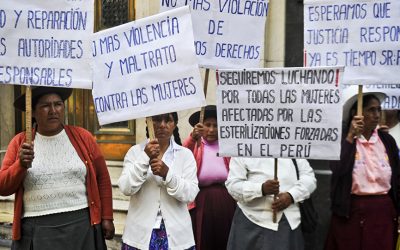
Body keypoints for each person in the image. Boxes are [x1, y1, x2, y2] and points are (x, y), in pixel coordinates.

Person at [0, 86, 115, 250]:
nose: (53, 110)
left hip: (81, 227)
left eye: (58, 104)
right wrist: (20, 165)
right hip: (37, 231)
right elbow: (3, 187)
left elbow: (102, 178)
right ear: (32, 112)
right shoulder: (20, 143)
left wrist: (107, 217)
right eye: (45, 106)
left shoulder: (83, 137)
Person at [324, 86, 400, 250]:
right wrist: (350, 137)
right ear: (356, 113)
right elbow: (338, 170)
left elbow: (397, 177)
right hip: (351, 212)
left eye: (378, 110)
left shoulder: (386, 140)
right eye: (371, 110)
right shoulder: (343, 140)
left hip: (384, 211)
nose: (377, 115)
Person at [118, 112, 199, 250]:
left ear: (175, 125)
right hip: (139, 235)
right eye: (156, 119)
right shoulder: (135, 152)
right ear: (147, 121)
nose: (162, 125)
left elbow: (190, 194)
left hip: (177, 234)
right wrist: (145, 157)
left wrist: (168, 175)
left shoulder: (185, 155)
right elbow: (126, 188)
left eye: (168, 120)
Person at [226, 157, 317, 250]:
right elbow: (233, 186)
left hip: (289, 225)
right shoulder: (244, 148)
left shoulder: (292, 146)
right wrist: (261, 189)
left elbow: (309, 178)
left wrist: (291, 196)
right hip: (252, 224)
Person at [183, 105, 236, 250]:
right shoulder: (195, 145)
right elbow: (181, 157)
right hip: (201, 202)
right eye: (207, 125)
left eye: (216, 125)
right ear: (200, 126)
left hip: (226, 201)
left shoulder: (228, 147)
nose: (212, 130)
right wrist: (192, 138)